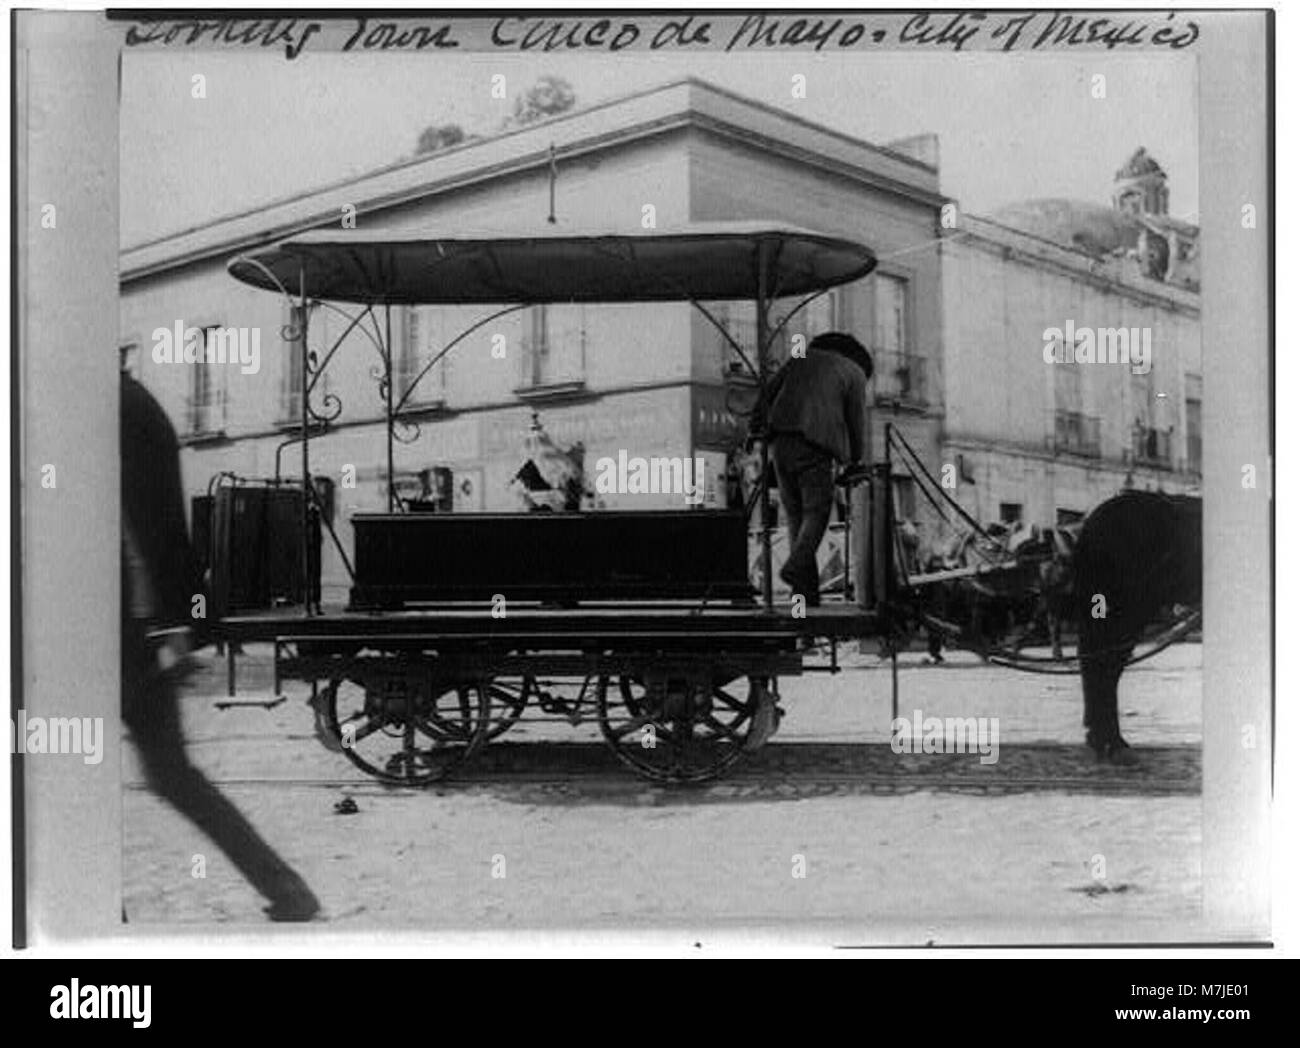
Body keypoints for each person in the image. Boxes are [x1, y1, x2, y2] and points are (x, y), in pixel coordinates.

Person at [750, 331, 872, 607]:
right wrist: (854, 461)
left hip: (780, 443)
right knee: (817, 511)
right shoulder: (855, 373)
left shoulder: (800, 357)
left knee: (795, 518)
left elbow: (767, 392)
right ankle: (795, 567)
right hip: (815, 443)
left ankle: (805, 597)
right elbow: (856, 423)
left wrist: (754, 428)